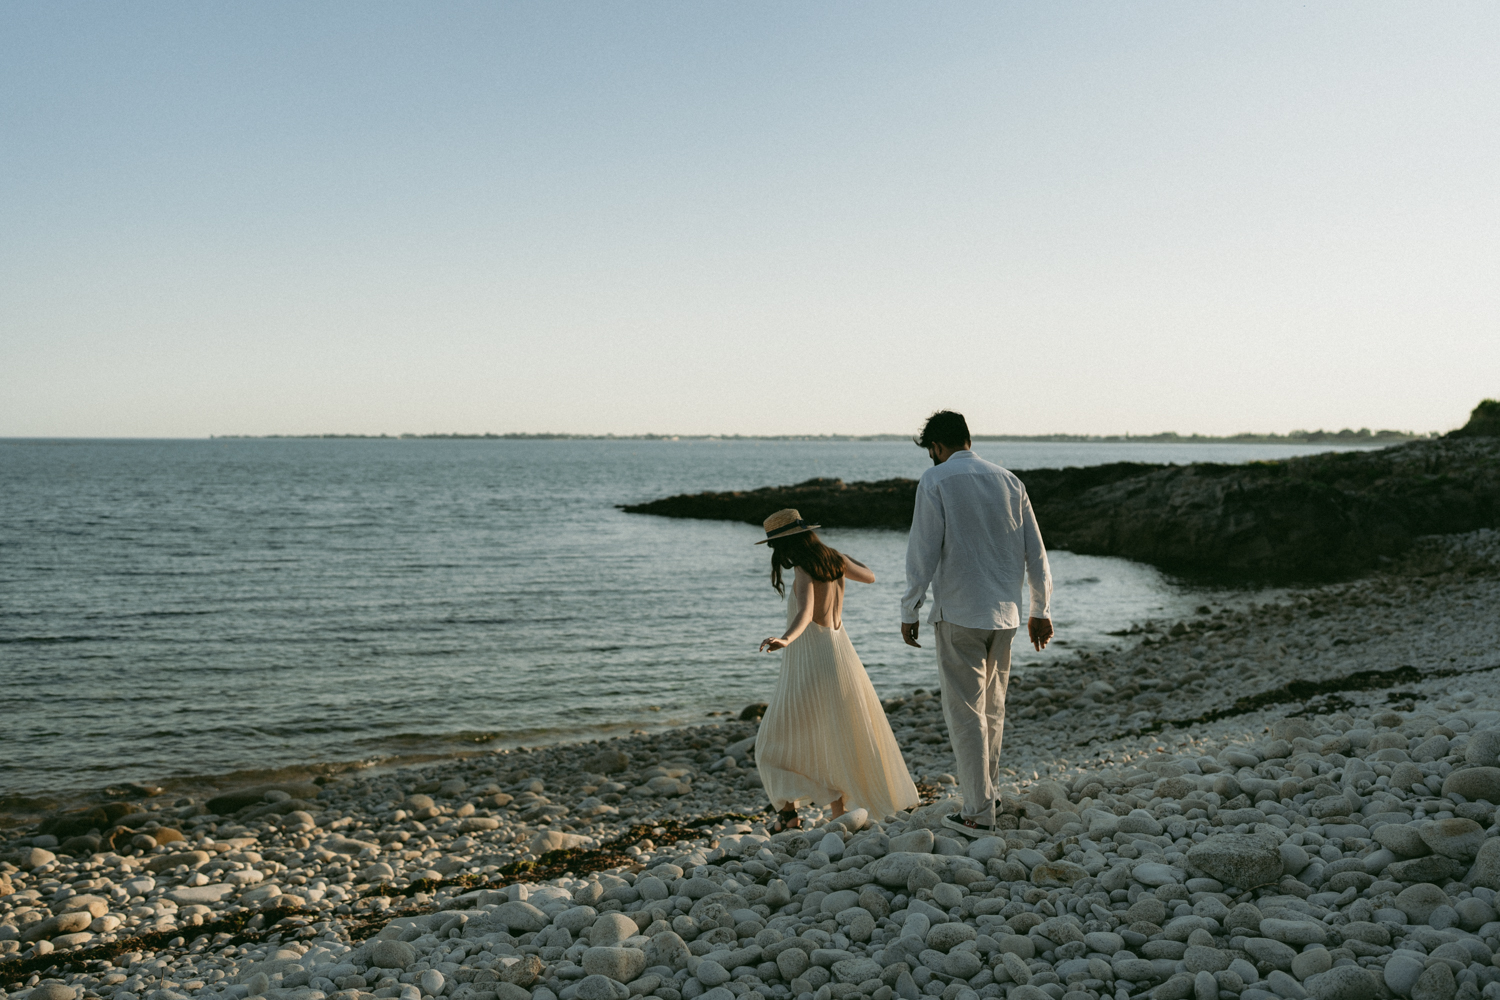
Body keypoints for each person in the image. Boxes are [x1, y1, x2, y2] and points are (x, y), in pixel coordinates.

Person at [900, 410, 1054, 838]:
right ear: (968, 437)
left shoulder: (936, 481)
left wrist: (909, 609)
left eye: (930, 450)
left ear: (936, 446)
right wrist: (1040, 609)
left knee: (966, 715)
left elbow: (923, 551)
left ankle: (976, 812)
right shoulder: (1010, 481)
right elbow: (1035, 552)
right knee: (993, 709)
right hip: (1004, 616)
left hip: (960, 614)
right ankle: (989, 795)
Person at [754, 508, 920, 831]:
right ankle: (837, 812)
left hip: (812, 658)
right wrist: (839, 555)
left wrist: (785, 639)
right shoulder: (834, 560)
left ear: (787, 543)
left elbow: (805, 613)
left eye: (777, 546)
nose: (778, 553)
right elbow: (870, 575)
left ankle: (788, 817)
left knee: (771, 741)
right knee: (834, 732)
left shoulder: (804, 566)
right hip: (841, 655)